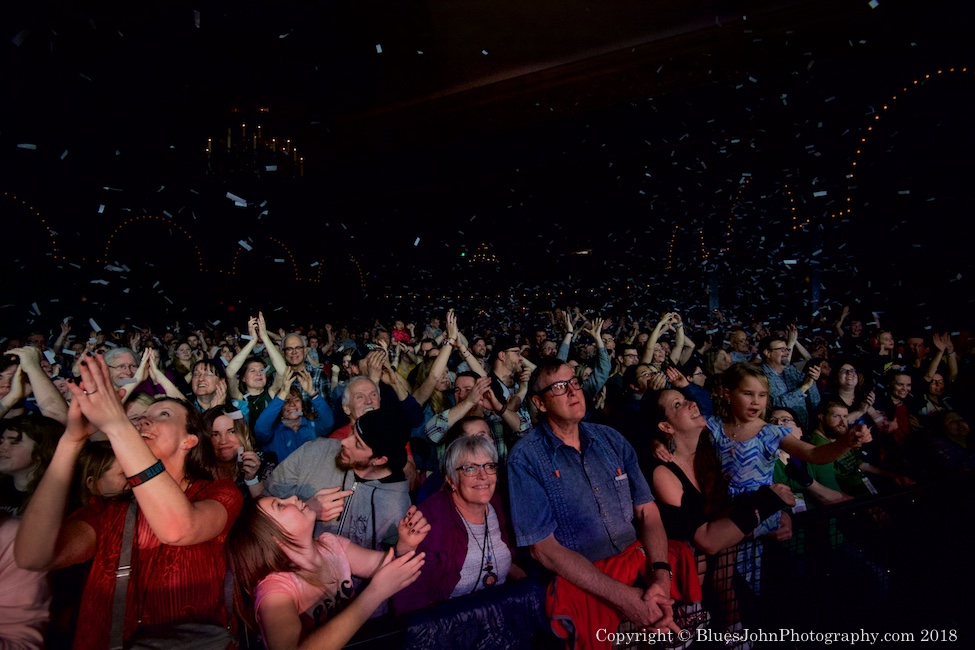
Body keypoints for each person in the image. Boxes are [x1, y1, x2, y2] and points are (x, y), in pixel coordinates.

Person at [16, 352, 244, 649]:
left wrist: (118, 425)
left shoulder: (219, 494)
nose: (144, 420)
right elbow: (34, 555)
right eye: (140, 418)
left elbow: (178, 528)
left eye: (163, 415)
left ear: (189, 440)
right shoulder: (109, 508)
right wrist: (71, 441)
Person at [507, 358, 678, 643]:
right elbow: (544, 549)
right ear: (539, 403)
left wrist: (661, 575)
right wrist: (623, 598)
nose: (573, 391)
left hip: (642, 577)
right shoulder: (525, 459)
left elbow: (647, 511)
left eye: (575, 382)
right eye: (560, 387)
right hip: (587, 590)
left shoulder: (611, 439)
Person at [226, 495, 429, 650]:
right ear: (271, 540)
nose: (294, 498)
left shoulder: (331, 545)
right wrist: (374, 594)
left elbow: (387, 569)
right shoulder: (275, 590)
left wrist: (405, 544)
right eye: (280, 505)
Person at [393, 435, 524, 613]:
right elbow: (411, 595)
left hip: (497, 612)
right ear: (451, 480)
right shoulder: (430, 517)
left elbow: (499, 559)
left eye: (489, 466)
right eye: (470, 468)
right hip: (451, 623)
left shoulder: (498, 505)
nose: (483, 476)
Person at [264, 406, 412, 551]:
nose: (344, 442)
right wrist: (304, 510)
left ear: (379, 460)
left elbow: (387, 564)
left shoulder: (397, 506)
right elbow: (263, 506)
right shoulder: (314, 451)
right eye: (352, 432)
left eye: (358, 444)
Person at [254, 367, 334, 462]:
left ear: (302, 406)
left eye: (296, 400)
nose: (292, 404)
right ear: (279, 408)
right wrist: (282, 393)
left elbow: (329, 422)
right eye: (286, 401)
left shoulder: (312, 426)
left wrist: (312, 392)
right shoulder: (272, 432)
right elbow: (260, 428)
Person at [225, 312, 289, 428]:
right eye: (252, 371)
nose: (259, 373)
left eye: (262, 370)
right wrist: (252, 342)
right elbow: (229, 373)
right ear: (243, 378)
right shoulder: (239, 397)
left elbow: (283, 371)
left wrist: (264, 337)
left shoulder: (271, 393)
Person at [205, 404, 278, 499]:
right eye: (215, 434)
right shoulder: (198, 469)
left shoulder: (265, 463)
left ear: (243, 433)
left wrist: (252, 479)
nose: (224, 441)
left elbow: (268, 511)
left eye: (231, 432)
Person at [0, 415, 63, 515]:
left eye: (14, 442)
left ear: (40, 452)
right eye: (1, 441)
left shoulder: (57, 498)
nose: (2, 448)